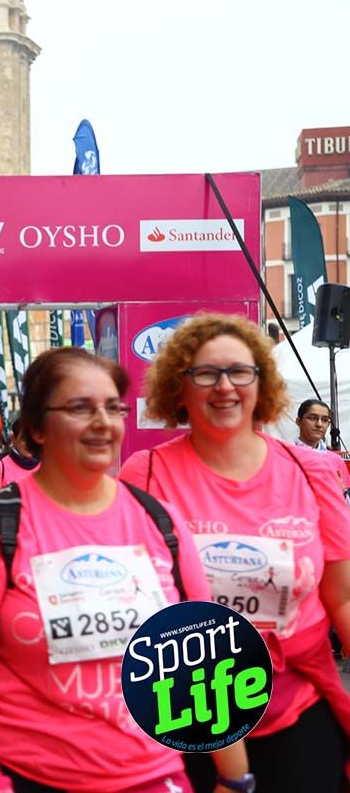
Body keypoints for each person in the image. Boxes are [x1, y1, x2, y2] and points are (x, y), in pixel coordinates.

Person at [0, 347, 248, 793]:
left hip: (153, 775)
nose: (103, 422)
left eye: (113, 407)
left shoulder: (160, 521)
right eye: (81, 407)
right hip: (26, 776)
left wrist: (235, 778)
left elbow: (206, 659)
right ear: (38, 427)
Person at [119, 313, 350, 791]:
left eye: (239, 372)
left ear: (261, 383)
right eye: (205, 373)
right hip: (183, 714)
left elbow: (343, 598)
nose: (224, 386)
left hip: (296, 707)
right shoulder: (145, 472)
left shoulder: (313, 471)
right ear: (178, 387)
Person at [0, 418, 40, 499]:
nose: (29, 444)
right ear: (13, 438)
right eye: (23, 439)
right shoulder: (0, 468)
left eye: (32, 439)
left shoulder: (47, 467)